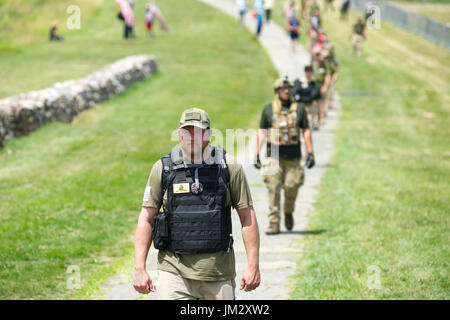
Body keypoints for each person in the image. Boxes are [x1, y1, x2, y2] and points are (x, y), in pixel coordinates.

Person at [133, 108, 261, 300]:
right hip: (174, 272)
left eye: (199, 131)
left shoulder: (228, 167)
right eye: (187, 131)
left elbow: (247, 218)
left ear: (209, 134)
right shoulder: (164, 168)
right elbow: (146, 218)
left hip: (218, 274)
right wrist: (139, 268)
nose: (192, 137)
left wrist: (253, 266)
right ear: (179, 135)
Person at [254, 77, 315, 235]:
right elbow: (262, 132)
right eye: (283, 88)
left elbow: (306, 130)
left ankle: (288, 212)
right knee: (273, 188)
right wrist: (256, 153)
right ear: (277, 91)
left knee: (291, 187)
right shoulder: (268, 109)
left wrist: (310, 152)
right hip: (274, 156)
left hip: (294, 158)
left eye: (289, 88)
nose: (287, 91)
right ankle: (274, 222)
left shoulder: (299, 109)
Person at [293, 66, 322, 130]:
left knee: (308, 124)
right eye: (307, 71)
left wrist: (321, 115)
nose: (308, 73)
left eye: (309, 71)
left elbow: (318, 99)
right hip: (300, 105)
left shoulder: (314, 84)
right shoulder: (298, 82)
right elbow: (293, 93)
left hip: (310, 105)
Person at [311, 47, 332, 126]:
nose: (317, 56)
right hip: (313, 85)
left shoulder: (324, 64)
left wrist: (325, 86)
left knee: (321, 103)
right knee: (314, 104)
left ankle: (321, 118)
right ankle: (315, 120)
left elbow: (327, 75)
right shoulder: (312, 64)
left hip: (321, 84)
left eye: (319, 54)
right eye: (316, 54)